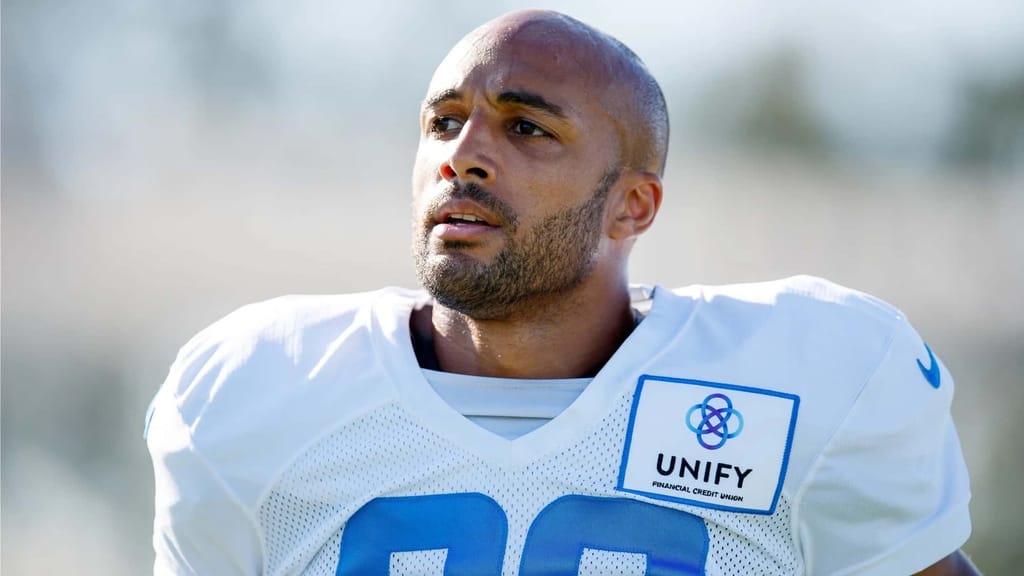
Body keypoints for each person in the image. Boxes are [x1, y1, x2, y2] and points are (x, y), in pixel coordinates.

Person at [145, 9, 980, 575]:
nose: (463, 156)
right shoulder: (258, 391)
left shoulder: (810, 377)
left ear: (632, 205)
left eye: (527, 127)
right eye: (444, 121)